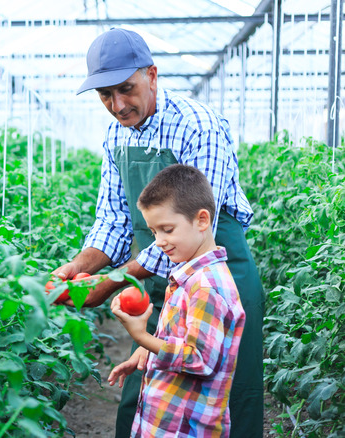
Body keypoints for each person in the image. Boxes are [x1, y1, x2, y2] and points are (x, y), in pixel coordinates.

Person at [51, 28, 264, 437]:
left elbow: (199, 225)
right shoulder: (116, 134)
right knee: (149, 393)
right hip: (165, 283)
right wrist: (77, 269)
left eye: (126, 89)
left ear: (151, 74)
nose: (118, 105)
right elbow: (113, 220)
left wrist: (117, 279)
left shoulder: (197, 126)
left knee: (226, 402)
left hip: (219, 282)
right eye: (105, 96)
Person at [108, 164, 245, 436]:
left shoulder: (207, 287)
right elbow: (182, 337)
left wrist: (142, 336)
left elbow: (199, 359)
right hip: (167, 422)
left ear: (202, 220)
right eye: (154, 232)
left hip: (186, 428)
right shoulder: (189, 275)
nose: (159, 241)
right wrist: (146, 352)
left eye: (167, 229)